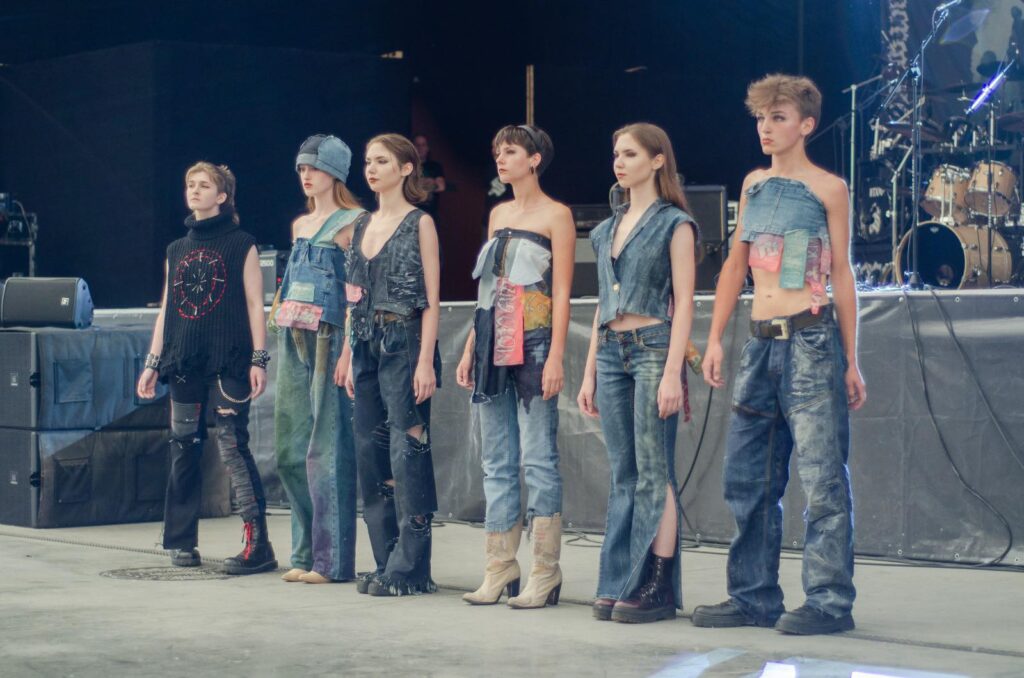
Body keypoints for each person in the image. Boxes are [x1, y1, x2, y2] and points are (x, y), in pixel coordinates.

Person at [692, 74, 867, 635]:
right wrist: (715, 337)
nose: (766, 128)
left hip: (811, 340)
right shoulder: (754, 185)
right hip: (760, 341)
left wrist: (852, 359)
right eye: (761, 119)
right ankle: (752, 596)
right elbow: (734, 266)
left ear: (806, 125)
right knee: (747, 477)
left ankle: (829, 601)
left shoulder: (828, 188)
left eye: (779, 118)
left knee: (821, 477)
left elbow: (842, 274)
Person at [577, 123, 698, 624]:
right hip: (611, 349)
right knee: (623, 473)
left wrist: (672, 372)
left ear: (657, 160)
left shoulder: (675, 224)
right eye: (616, 154)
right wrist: (588, 373)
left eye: (629, 154)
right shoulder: (605, 229)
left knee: (654, 469)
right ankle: (619, 582)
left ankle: (657, 584)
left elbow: (685, 302)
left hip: (652, 346)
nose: (619, 162)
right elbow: (601, 304)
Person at [136, 161, 276, 575]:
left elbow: (255, 304)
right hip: (183, 360)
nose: (194, 190)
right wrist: (152, 363)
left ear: (222, 196)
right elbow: (167, 310)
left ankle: (258, 545)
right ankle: (180, 540)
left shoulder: (242, 244)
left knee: (232, 445)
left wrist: (259, 358)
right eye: (190, 184)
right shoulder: (175, 250)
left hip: (230, 359)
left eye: (203, 185)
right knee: (183, 445)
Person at [455, 125, 575, 608]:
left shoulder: (557, 215)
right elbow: (489, 288)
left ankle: (545, 570)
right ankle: (499, 566)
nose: (500, 160)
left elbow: (562, 290)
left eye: (509, 152)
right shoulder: (499, 214)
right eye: (496, 152)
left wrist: (557, 355)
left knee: (538, 457)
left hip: (536, 341)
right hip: (492, 339)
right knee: (497, 460)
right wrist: (470, 346)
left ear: (534, 159)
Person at [344, 133, 443, 596]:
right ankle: (386, 560)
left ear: (406, 168)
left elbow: (431, 299)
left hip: (404, 340)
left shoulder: (420, 222)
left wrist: (425, 361)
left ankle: (411, 567)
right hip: (365, 340)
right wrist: (347, 353)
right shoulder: (361, 224)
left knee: (408, 448)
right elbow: (352, 295)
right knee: (370, 450)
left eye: (382, 161)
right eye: (368, 161)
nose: (371, 169)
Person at [271, 135, 364, 584]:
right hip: (293, 336)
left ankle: (331, 562)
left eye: (315, 167)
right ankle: (303, 553)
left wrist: (349, 348)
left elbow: (356, 294)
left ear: (335, 173)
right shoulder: (300, 225)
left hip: (329, 337)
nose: (306, 176)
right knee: (290, 448)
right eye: (301, 168)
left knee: (327, 447)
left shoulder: (353, 222)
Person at [413, 134, 446, 217]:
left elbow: (441, 187)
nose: (420, 148)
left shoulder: (435, 166)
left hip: (429, 214)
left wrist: (416, 184)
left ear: (427, 148)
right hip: (410, 214)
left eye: (423, 145)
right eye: (417, 145)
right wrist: (429, 182)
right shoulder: (406, 167)